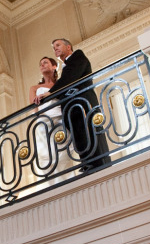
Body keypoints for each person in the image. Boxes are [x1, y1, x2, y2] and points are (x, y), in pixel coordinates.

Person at [47, 38, 109, 172]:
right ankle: (87, 163)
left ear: (68, 46)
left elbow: (70, 78)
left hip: (84, 104)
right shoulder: (66, 66)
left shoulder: (78, 56)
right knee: (79, 136)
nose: (55, 48)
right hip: (74, 110)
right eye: (53, 47)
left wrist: (50, 93)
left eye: (58, 45)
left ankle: (98, 163)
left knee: (90, 133)